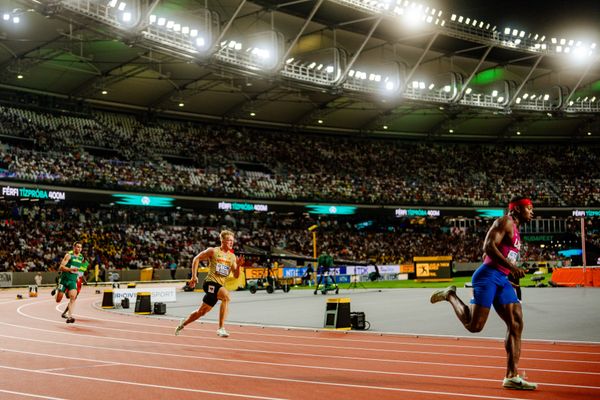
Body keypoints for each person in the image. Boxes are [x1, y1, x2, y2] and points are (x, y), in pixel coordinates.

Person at [430, 196, 537, 390]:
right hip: (487, 277)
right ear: (517, 209)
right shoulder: (505, 221)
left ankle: (511, 376)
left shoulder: (517, 231)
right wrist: (512, 267)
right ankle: (450, 295)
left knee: (516, 322)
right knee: (474, 326)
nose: (532, 211)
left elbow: (496, 252)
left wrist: (510, 272)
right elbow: (487, 247)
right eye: (529, 208)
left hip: (502, 279)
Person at [175, 230, 239, 337]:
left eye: (232, 241)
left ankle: (183, 323)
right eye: (229, 240)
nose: (231, 243)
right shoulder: (213, 251)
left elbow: (236, 275)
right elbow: (197, 258)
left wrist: (239, 265)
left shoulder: (232, 257)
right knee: (226, 297)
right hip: (210, 283)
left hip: (219, 286)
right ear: (222, 241)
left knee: (201, 312)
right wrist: (194, 276)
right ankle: (221, 328)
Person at [55, 242, 85, 324]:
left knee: (73, 297)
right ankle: (58, 290)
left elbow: (79, 269)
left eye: (80, 247)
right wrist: (70, 270)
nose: (79, 249)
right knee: (58, 300)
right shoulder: (68, 255)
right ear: (74, 247)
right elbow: (61, 267)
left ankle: (69, 316)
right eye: (77, 247)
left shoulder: (81, 258)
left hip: (72, 280)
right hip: (64, 280)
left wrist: (78, 274)